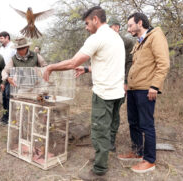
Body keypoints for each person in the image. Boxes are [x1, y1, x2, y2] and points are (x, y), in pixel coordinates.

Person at [43, 6, 125, 180]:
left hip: (104, 93)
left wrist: (50, 67)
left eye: (87, 23)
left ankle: (99, 170)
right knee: (110, 126)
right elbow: (108, 63)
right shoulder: (115, 36)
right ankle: (104, 155)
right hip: (117, 92)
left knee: (99, 131)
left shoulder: (97, 38)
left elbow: (72, 62)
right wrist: (87, 69)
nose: (86, 27)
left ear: (95, 19)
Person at [117, 13, 170, 173]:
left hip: (146, 89)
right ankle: (138, 152)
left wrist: (155, 86)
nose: (128, 29)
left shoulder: (156, 36)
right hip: (133, 88)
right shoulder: (139, 42)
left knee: (146, 125)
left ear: (140, 23)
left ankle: (149, 160)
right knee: (133, 122)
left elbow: (163, 63)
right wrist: (127, 84)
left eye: (130, 25)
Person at [0, 31, 16, 125]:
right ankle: (5, 116)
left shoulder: (13, 47)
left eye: (1, 38)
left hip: (11, 74)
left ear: (7, 37)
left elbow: (16, 61)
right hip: (3, 74)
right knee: (4, 96)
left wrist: (12, 76)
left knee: (9, 95)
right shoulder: (1, 48)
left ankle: (10, 117)